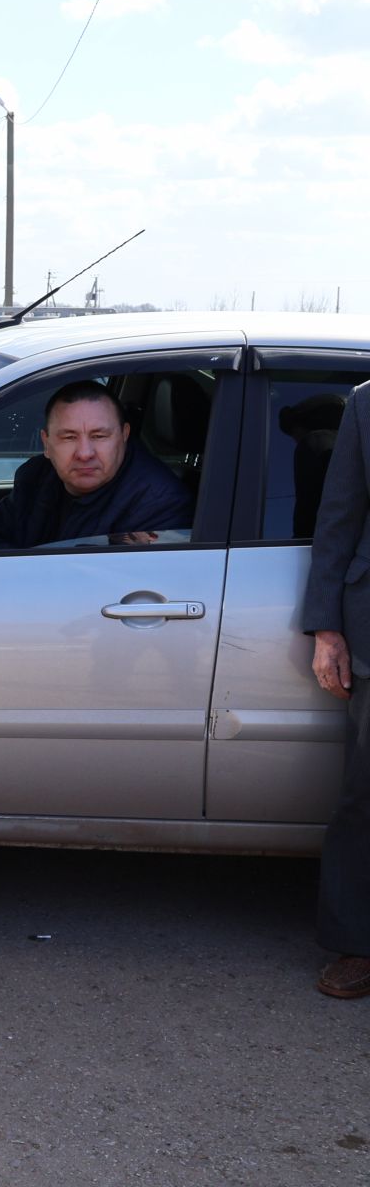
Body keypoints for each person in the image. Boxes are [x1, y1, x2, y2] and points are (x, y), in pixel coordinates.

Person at [301, 379, 370, 1000]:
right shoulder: (367, 405)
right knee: (364, 799)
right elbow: (339, 520)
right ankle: (359, 944)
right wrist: (327, 628)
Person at [0, 381, 194, 549]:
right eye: (69, 437)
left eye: (99, 436)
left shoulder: (160, 503)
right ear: (47, 443)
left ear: (124, 436)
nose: (85, 454)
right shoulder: (36, 476)